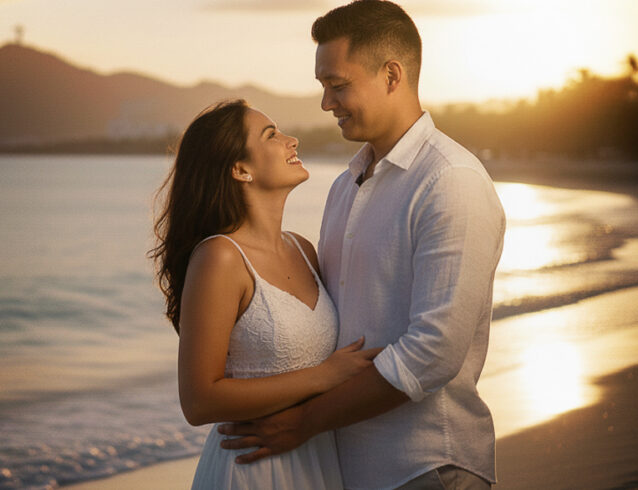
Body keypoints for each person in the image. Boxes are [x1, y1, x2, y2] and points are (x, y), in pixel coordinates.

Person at [216, 1, 507, 489]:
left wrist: (305, 421)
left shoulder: (449, 181)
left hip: (424, 465)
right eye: (323, 86)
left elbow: (433, 351)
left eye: (338, 84)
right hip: (341, 465)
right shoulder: (344, 186)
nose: (326, 103)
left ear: (392, 75)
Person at [150, 99, 381, 489]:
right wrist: (323, 376)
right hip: (252, 469)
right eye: (271, 135)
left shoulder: (304, 251)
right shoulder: (220, 257)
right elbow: (199, 400)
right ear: (240, 169)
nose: (292, 141)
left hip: (317, 461)